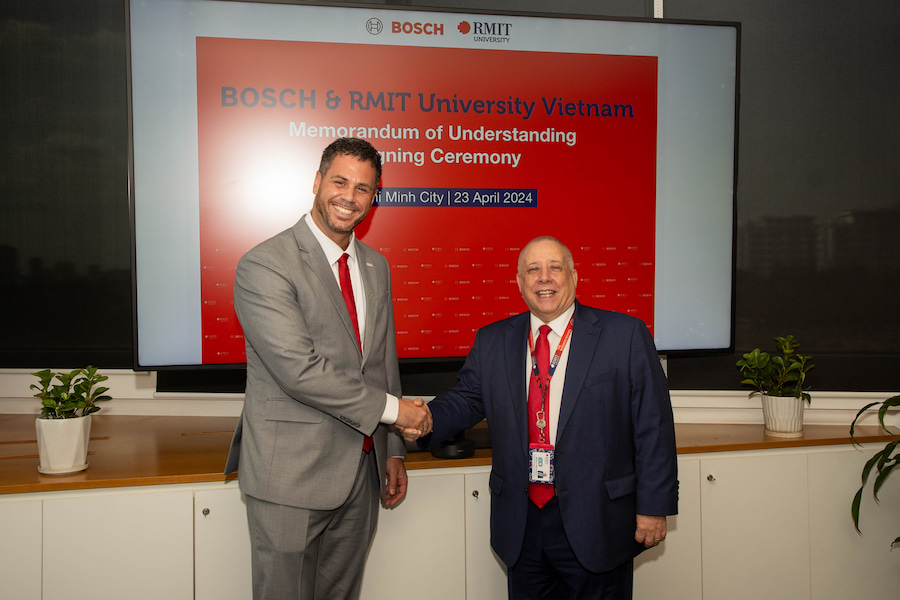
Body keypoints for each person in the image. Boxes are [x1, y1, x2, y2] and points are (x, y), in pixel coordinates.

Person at [404, 236, 677, 600]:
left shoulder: (624, 335)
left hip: (598, 521)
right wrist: (425, 420)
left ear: (574, 277)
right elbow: (465, 401)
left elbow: (653, 427)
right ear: (520, 282)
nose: (543, 278)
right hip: (522, 524)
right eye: (533, 270)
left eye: (554, 268)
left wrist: (653, 507)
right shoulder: (492, 341)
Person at [224, 137, 432, 600]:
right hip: (289, 476)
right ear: (317, 182)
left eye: (363, 188)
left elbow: (381, 362)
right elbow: (299, 370)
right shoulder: (264, 264)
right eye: (340, 181)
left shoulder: (375, 266)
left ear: (373, 198)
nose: (349, 196)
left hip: (361, 472)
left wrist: (393, 449)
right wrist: (398, 413)